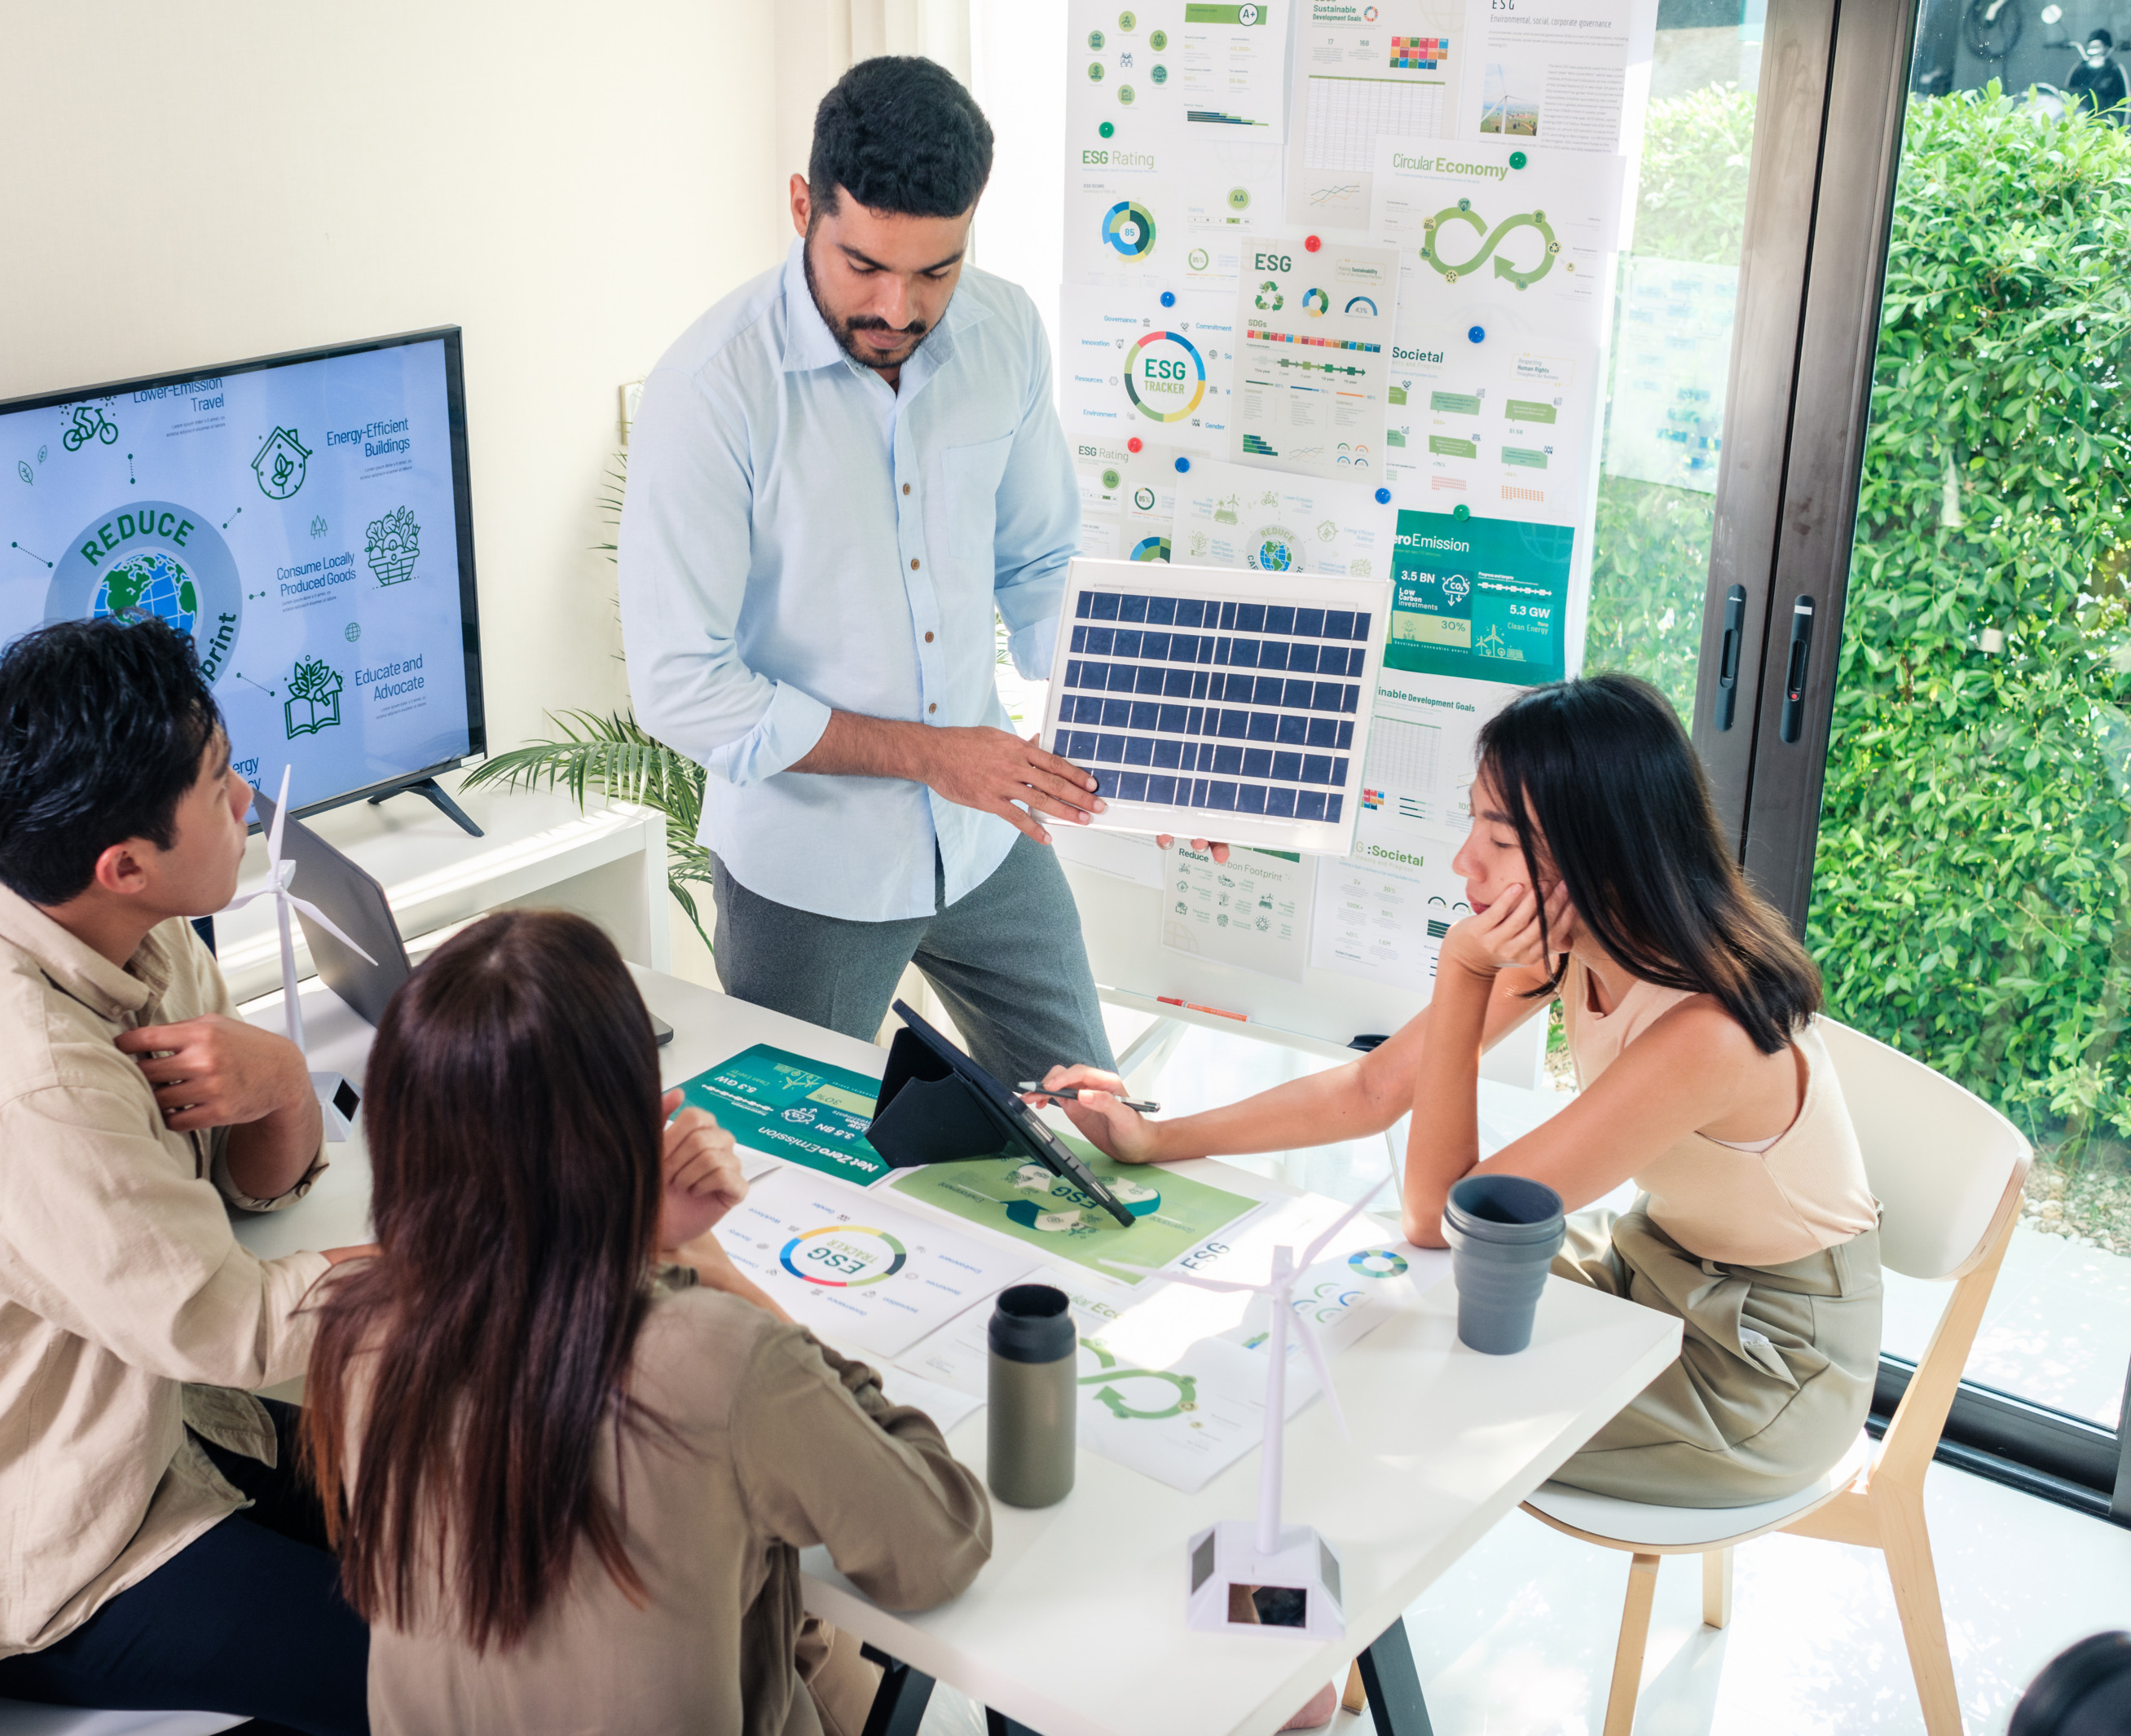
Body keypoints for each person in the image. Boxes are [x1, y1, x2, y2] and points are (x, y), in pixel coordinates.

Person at [1044, 674, 1882, 1509]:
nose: (1462, 862)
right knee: (1343, 1327)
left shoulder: (1707, 1034)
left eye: (1500, 838)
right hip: (1649, 1264)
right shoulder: (1573, 941)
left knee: (1378, 1406)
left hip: (1764, 1364)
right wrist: (1157, 1138)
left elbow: (1443, 1213)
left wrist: (1464, 966)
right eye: (1471, 823)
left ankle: (1321, 1617)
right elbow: (1376, 1086)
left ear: (1601, 853)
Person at [0, 617, 374, 1730]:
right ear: (124, 860)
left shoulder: (139, 935)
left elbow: (255, 1192)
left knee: (477, 1520)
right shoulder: (30, 1085)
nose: (245, 801)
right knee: (452, 1662)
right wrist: (485, 1263)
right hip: (52, 1561)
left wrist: (283, 1078)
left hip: (174, 1430)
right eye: (220, 780)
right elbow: (229, 1322)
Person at [301, 908, 993, 1736]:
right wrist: (724, 1277)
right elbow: (939, 1543)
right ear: (635, 1112)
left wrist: (629, 1238)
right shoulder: (716, 1356)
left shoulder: (359, 1327)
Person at [622, 54, 1117, 1088]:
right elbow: (681, 686)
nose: (897, 308)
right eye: (863, 266)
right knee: (796, 1175)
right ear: (803, 205)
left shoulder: (1004, 332)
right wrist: (935, 757)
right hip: (810, 875)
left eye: (934, 271)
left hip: (987, 838)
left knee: (1098, 1121)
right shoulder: (711, 393)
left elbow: (1036, 563)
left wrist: (1139, 728)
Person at [2070, 29, 2127, 118]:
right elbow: (2070, 92)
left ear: (2107, 48)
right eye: (2091, 46)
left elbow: (2123, 98)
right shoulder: (2080, 68)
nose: (2094, 50)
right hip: (2082, 120)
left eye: (2097, 46)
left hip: (2106, 120)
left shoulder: (2115, 69)